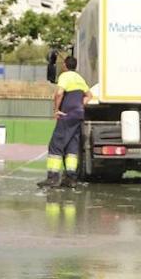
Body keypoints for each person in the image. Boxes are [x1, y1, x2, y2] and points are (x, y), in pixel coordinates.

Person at [39, 56, 91, 189]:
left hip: (67, 115)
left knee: (56, 145)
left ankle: (52, 178)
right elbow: (89, 95)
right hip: (78, 115)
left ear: (65, 65)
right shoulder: (79, 78)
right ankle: (71, 178)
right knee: (71, 146)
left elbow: (59, 93)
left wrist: (56, 110)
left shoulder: (65, 76)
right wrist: (80, 105)